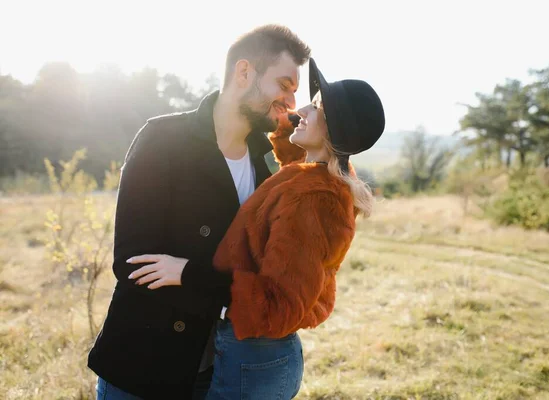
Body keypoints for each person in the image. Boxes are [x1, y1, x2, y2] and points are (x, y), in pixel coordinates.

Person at [130, 57, 386, 399]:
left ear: (333, 128)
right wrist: (278, 122)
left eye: (317, 108)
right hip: (257, 356)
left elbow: (278, 306)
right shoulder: (319, 177)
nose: (302, 110)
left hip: (254, 359)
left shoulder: (315, 200)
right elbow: (289, 179)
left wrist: (188, 274)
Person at [87, 24, 311, 400]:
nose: (290, 101)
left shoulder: (263, 164)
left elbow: (262, 276)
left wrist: (188, 275)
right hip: (143, 368)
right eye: (284, 85)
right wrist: (227, 294)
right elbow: (132, 263)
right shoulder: (163, 140)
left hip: (215, 368)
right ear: (244, 73)